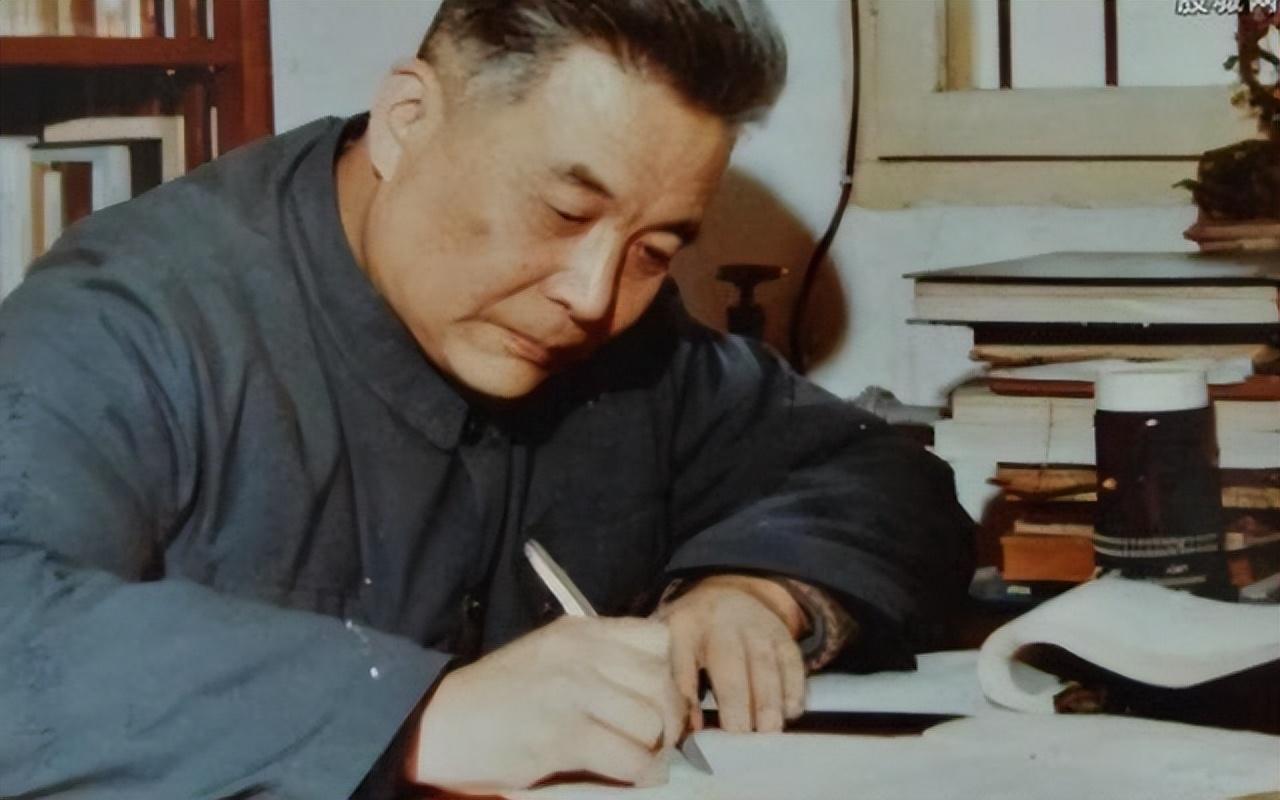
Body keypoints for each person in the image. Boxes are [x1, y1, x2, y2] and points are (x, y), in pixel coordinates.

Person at [0, 1, 973, 796]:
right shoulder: (133, 318)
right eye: (562, 210)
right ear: (407, 119)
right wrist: (422, 717)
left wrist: (761, 587)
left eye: (653, 250)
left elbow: (875, 469)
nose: (592, 295)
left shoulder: (629, 343)